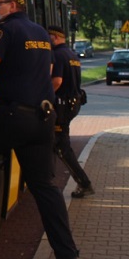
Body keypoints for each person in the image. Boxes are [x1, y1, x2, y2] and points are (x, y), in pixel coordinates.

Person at [0, 0, 82, 259]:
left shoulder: (3, 31)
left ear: (12, 6)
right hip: (43, 118)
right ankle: (67, 255)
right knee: (45, 188)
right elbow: (47, 72)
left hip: (13, 116)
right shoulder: (39, 33)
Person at [48, 25, 94, 198]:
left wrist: (43, 94)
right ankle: (49, 179)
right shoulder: (71, 54)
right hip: (71, 104)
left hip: (61, 107)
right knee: (54, 144)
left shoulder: (58, 55)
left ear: (54, 37)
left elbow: (57, 81)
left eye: (49, 37)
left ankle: (84, 183)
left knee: (62, 147)